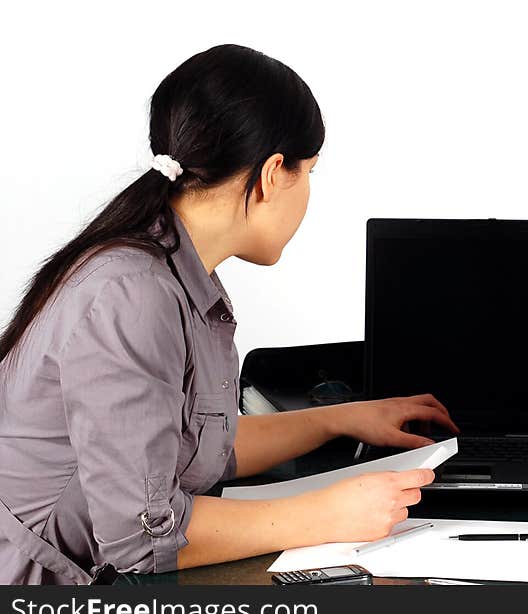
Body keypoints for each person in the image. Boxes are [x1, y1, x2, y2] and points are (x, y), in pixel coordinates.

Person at [0, 44, 458, 584]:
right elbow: (141, 538)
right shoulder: (133, 293)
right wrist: (324, 516)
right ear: (270, 175)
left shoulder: (172, 270)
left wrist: (343, 418)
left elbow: (195, 443)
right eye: (308, 170)